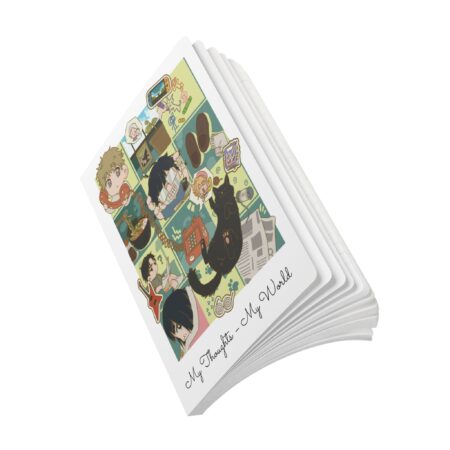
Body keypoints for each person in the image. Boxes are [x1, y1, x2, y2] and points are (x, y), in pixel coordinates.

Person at [162, 289, 199, 359]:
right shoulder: (185, 346)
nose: (181, 335)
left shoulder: (196, 326)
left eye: (179, 327)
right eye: (175, 333)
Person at [96, 147, 131, 213]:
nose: (115, 183)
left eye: (117, 173)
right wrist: (106, 207)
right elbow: (110, 210)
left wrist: (126, 201)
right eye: (109, 183)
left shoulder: (125, 186)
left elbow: (129, 195)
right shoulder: (114, 198)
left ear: (124, 170)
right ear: (105, 190)